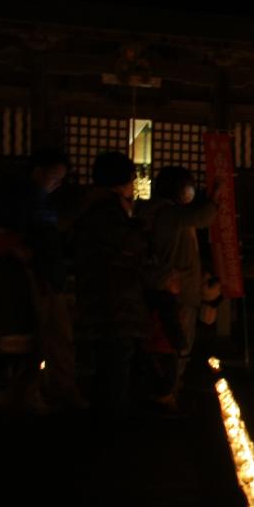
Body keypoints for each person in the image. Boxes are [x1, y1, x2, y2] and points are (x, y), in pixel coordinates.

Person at [0, 147, 77, 411]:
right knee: (36, 339)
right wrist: (21, 252)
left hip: (45, 274)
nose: (57, 184)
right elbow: (0, 235)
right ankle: (34, 395)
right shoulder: (20, 200)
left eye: (60, 180)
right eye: (54, 177)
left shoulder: (43, 202)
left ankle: (40, 394)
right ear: (38, 171)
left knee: (49, 338)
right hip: (31, 277)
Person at [73, 151, 149, 419]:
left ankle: (107, 416)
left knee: (108, 364)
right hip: (113, 302)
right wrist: (136, 225)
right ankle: (111, 423)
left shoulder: (93, 206)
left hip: (103, 299)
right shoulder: (106, 210)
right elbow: (129, 243)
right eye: (131, 180)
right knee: (114, 365)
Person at [138, 166, 217, 408]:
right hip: (176, 289)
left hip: (168, 285)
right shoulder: (170, 214)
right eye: (189, 186)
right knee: (175, 342)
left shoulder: (156, 212)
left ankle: (169, 389)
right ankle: (166, 392)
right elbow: (205, 217)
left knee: (169, 340)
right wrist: (215, 199)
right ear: (180, 190)